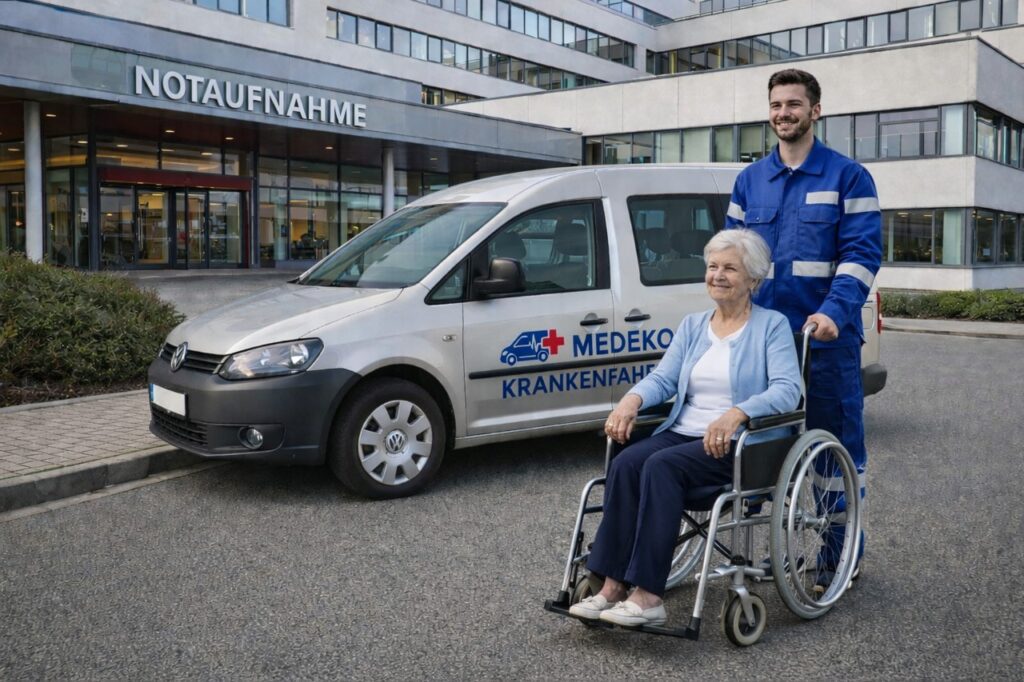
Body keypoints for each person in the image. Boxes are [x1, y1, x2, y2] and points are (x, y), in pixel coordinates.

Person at [568, 229, 802, 627]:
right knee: (626, 463)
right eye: (712, 267)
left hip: (737, 442)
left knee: (661, 467)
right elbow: (663, 378)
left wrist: (737, 413)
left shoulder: (771, 326)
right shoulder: (694, 325)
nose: (718, 275)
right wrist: (632, 400)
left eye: (730, 268)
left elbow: (788, 390)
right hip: (685, 432)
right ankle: (611, 586)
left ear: (754, 280)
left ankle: (648, 597)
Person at [724, 68, 882, 582]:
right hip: (767, 344)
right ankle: (778, 542)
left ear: (816, 111)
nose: (783, 114)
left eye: (794, 104)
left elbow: (860, 257)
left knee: (832, 456)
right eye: (775, 105)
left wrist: (834, 313)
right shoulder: (750, 181)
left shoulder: (848, 177)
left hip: (825, 346)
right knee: (769, 449)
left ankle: (838, 559)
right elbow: (733, 258)